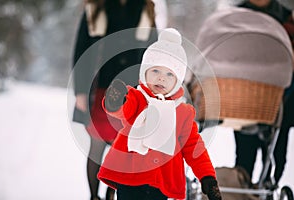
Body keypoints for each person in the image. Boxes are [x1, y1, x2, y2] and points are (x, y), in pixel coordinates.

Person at [97, 28, 222, 200]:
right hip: (130, 176)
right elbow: (124, 110)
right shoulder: (137, 97)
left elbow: (194, 147)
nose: (161, 78)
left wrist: (207, 177)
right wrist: (116, 102)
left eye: (170, 74)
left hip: (161, 182)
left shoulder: (182, 112)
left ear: (177, 81)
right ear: (144, 72)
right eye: (155, 71)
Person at [72, 0, 167, 199]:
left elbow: (154, 53)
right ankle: (93, 196)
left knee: (123, 149)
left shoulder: (145, 10)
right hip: (98, 89)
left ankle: (110, 194)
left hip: (132, 92)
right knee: (96, 146)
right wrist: (80, 92)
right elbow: (81, 52)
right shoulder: (95, 9)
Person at [234, 0, 294, 187]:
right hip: (246, 95)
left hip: (280, 96)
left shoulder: (285, 15)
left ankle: (268, 185)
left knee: (277, 154)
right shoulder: (235, 16)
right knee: (245, 154)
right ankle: (242, 188)